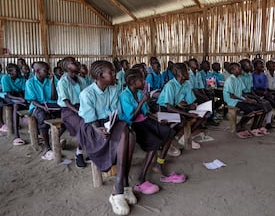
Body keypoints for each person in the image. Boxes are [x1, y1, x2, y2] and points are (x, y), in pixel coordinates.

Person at [76, 60, 136, 215]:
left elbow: (116, 111)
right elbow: (89, 118)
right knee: (124, 134)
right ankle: (118, 189)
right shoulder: (87, 93)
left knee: (130, 134)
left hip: (109, 123)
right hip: (92, 127)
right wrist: (98, 128)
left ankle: (124, 185)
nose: (114, 74)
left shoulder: (114, 89)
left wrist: (111, 123)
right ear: (99, 75)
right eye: (111, 72)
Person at [120, 68, 185, 195]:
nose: (144, 82)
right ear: (133, 82)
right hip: (135, 125)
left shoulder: (139, 93)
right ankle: (141, 179)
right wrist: (142, 102)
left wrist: (158, 119)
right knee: (154, 143)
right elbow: (131, 117)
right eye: (141, 80)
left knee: (169, 132)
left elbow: (146, 113)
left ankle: (159, 163)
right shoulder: (124, 96)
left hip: (146, 121)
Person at [157, 62, 207, 150]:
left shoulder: (186, 84)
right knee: (182, 120)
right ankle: (167, 140)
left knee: (204, 114)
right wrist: (188, 114)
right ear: (180, 74)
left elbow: (190, 102)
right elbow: (169, 107)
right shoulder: (170, 85)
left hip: (175, 106)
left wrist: (193, 106)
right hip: (165, 108)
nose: (188, 73)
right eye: (186, 71)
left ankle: (183, 137)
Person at [25, 61, 63, 159]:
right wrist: (43, 107)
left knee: (66, 114)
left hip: (51, 104)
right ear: (37, 71)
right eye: (46, 70)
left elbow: (54, 98)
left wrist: (53, 82)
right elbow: (32, 100)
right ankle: (47, 146)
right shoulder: (30, 82)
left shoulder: (50, 80)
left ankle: (55, 136)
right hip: (37, 106)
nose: (49, 72)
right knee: (42, 116)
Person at [57, 57, 88, 168]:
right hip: (68, 110)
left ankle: (92, 148)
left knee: (95, 121)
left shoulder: (82, 80)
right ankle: (79, 152)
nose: (77, 63)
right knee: (82, 124)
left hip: (81, 107)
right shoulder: (63, 82)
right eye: (73, 62)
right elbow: (66, 102)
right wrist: (80, 112)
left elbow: (86, 97)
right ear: (66, 67)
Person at [223, 63, 265, 138]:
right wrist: (246, 101)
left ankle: (245, 126)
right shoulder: (230, 80)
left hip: (239, 99)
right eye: (238, 68)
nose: (240, 70)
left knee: (258, 107)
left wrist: (249, 99)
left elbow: (242, 93)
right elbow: (232, 96)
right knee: (250, 110)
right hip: (232, 100)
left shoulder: (238, 78)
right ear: (232, 71)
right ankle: (239, 127)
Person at [252, 58, 275, 128]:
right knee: (270, 102)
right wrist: (267, 93)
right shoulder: (256, 75)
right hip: (259, 94)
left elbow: (267, 87)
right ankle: (268, 123)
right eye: (260, 64)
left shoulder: (266, 75)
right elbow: (254, 88)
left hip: (267, 92)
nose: (274, 65)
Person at [239, 59, 272, 135]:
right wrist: (253, 97)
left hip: (249, 94)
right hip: (242, 96)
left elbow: (251, 89)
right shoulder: (240, 76)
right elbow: (242, 92)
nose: (251, 65)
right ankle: (252, 127)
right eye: (248, 64)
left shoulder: (249, 76)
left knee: (266, 103)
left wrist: (256, 96)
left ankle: (258, 126)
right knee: (260, 106)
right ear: (243, 67)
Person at [2, 63, 28, 145]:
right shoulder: (5, 78)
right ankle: (16, 136)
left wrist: (24, 99)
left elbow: (24, 91)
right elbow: (8, 94)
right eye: (15, 71)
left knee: (28, 103)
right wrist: (20, 99)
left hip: (19, 95)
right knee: (16, 105)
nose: (18, 72)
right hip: (8, 97)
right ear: (10, 73)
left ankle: (37, 133)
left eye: (18, 70)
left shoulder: (21, 78)